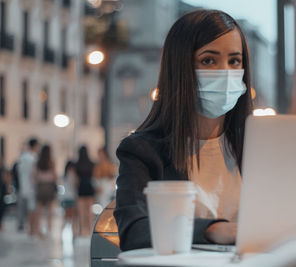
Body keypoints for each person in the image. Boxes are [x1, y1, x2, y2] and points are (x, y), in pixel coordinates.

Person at [114, 9, 253, 251]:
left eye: (234, 61)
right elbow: (133, 231)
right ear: (179, 68)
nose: (226, 72)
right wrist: (212, 229)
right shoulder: (142, 150)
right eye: (208, 60)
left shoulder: (257, 146)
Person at [33, 144, 58, 237]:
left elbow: (34, 175)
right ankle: (49, 229)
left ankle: (38, 230)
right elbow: (55, 175)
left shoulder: (38, 162)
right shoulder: (51, 162)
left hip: (40, 186)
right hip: (49, 186)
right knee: (49, 210)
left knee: (38, 210)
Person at [17, 138, 40, 236]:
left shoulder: (23, 157)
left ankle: (28, 228)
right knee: (33, 209)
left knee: (23, 209)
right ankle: (33, 229)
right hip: (32, 186)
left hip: (23, 185)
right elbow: (34, 173)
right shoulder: (34, 157)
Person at [75, 145, 95, 237]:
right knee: (89, 212)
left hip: (81, 188)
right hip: (89, 187)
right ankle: (90, 229)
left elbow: (75, 180)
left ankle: (83, 231)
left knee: (82, 212)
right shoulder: (91, 163)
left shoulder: (77, 164)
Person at [60, 161, 79, 239]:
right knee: (74, 217)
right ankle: (74, 233)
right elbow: (75, 185)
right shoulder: (73, 175)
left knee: (66, 217)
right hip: (72, 197)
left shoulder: (64, 175)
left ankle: (61, 231)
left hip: (65, 197)